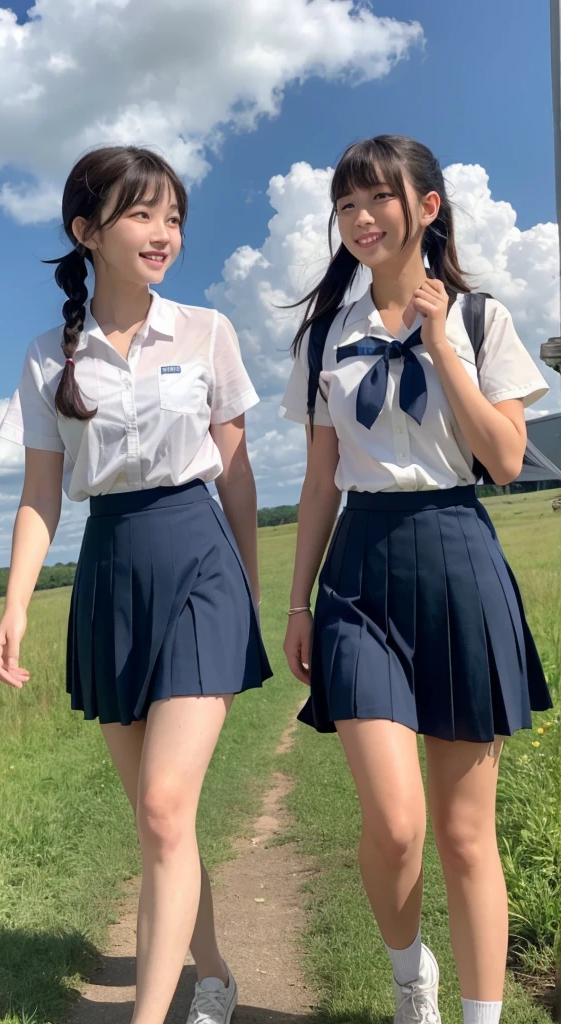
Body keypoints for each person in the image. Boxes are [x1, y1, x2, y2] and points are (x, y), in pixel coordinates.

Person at [0, 145, 272, 1024]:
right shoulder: (48, 358)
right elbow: (42, 493)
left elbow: (235, 470)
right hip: (110, 571)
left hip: (199, 562)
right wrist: (13, 607)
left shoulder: (208, 331)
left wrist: (251, 593)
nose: (165, 233)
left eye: (174, 217)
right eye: (143, 215)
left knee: (160, 803)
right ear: (88, 232)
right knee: (163, 823)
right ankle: (215, 971)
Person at [280, 134, 552, 1024]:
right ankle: (410, 977)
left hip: (457, 554)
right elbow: (321, 480)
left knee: (467, 834)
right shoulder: (326, 335)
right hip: (359, 571)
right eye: (346, 205)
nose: (360, 219)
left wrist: (440, 346)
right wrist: (297, 602)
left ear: (426, 207)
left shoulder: (481, 321)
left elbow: (506, 458)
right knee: (396, 825)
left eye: (378, 200)